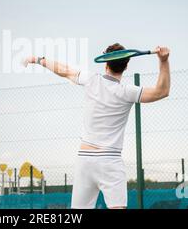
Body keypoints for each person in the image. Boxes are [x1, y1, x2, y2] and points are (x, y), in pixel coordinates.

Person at [24, 43, 170, 209]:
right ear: (126, 66)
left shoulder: (91, 79)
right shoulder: (128, 91)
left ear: (106, 63)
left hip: (84, 160)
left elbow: (64, 69)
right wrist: (163, 60)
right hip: (110, 161)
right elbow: (162, 91)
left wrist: (38, 59)